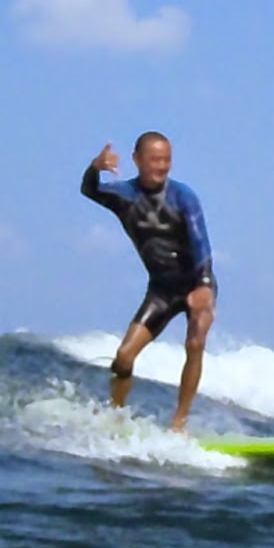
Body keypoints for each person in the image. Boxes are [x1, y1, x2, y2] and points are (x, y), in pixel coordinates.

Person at [81, 132, 216, 431]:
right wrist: (94, 167)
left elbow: (200, 241)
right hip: (162, 291)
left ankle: (179, 422)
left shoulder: (184, 196)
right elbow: (89, 190)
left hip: (196, 285)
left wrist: (204, 284)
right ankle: (115, 417)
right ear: (137, 160)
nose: (162, 166)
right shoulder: (124, 196)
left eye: (167, 160)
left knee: (195, 342)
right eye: (155, 159)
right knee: (124, 358)